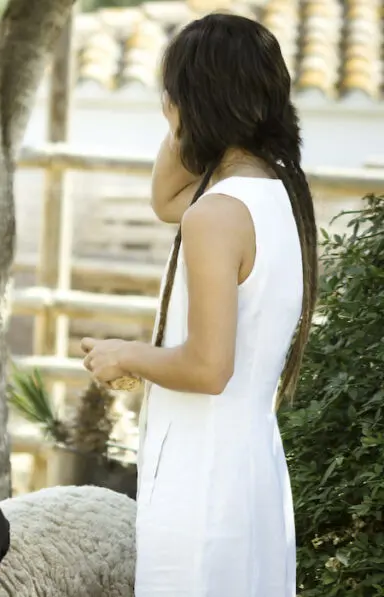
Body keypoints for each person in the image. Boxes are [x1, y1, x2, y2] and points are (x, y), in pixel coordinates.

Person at [78, 13, 318, 597]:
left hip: (203, 486)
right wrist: (185, 120)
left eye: (174, 95)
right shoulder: (277, 190)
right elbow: (165, 198)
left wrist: (126, 354)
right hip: (249, 473)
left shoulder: (216, 214)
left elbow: (209, 367)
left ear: (198, 99)